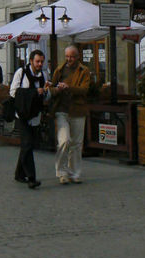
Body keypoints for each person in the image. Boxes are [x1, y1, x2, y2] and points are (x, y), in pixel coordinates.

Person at [50, 44, 91, 184]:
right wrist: (57, 89)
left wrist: (69, 88)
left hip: (78, 110)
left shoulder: (84, 71)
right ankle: (61, 172)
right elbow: (52, 87)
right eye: (67, 56)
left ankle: (74, 173)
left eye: (72, 57)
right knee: (64, 140)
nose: (69, 59)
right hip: (61, 110)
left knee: (77, 144)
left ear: (77, 57)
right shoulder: (60, 70)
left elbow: (84, 90)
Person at [10, 49, 49, 189]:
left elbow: (46, 95)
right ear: (31, 61)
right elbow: (13, 92)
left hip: (35, 115)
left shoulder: (44, 75)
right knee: (27, 144)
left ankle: (19, 173)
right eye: (37, 61)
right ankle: (31, 178)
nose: (40, 64)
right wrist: (33, 93)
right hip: (22, 115)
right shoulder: (21, 73)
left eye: (42, 61)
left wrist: (46, 92)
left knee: (28, 145)